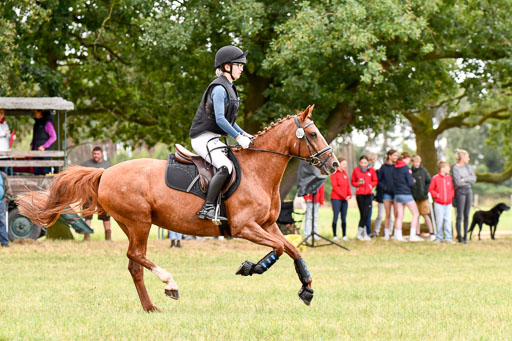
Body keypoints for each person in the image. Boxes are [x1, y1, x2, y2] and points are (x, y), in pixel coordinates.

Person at [189, 46, 252, 222]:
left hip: (212, 138)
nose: (241, 68)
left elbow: (230, 121)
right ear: (226, 67)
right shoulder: (219, 88)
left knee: (235, 162)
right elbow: (220, 120)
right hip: (202, 138)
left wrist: (247, 134)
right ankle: (207, 208)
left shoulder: (230, 88)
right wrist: (239, 138)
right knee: (226, 167)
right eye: (238, 65)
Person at [81, 146, 112, 241]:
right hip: (89, 192)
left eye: (98, 154)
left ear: (101, 154)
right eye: (94, 154)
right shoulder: (86, 164)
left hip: (103, 193)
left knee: (106, 216)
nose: (96, 156)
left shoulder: (108, 165)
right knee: (87, 214)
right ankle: (86, 236)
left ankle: (108, 237)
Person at [392, 152, 422, 242]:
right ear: (406, 159)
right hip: (406, 193)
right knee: (416, 213)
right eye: (409, 160)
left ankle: (398, 235)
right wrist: (413, 180)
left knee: (399, 216)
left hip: (397, 194)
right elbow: (410, 183)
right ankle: (412, 235)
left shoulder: (395, 168)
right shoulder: (406, 169)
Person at [452, 149, 476, 244]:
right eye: (467, 157)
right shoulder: (455, 168)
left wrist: (464, 179)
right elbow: (457, 183)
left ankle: (466, 236)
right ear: (462, 158)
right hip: (460, 192)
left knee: (467, 215)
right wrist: (465, 180)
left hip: (468, 191)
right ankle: (459, 236)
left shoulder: (468, 167)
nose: (469, 159)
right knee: (459, 215)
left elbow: (474, 179)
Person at [351, 155, 378, 241]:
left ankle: (364, 233)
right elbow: (353, 182)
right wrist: (358, 184)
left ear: (367, 163)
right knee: (362, 214)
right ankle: (361, 233)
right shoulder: (356, 170)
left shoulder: (371, 170)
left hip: (368, 194)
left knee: (366, 214)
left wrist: (370, 185)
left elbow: (375, 181)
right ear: (359, 162)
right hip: (359, 194)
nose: (363, 164)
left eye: (365, 162)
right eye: (362, 162)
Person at [429, 161, 455, 244]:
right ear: (442, 168)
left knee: (448, 220)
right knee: (439, 221)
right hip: (439, 203)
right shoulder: (435, 178)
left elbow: (451, 190)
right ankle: (439, 237)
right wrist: (437, 196)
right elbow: (431, 189)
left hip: (448, 203)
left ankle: (448, 237)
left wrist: (450, 196)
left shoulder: (449, 178)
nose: (449, 169)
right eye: (448, 167)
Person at [411, 155, 436, 241]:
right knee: (416, 215)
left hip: (423, 197)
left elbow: (428, 182)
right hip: (414, 197)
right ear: (412, 162)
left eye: (418, 162)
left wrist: (425, 192)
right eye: (415, 162)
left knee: (425, 214)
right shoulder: (410, 172)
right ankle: (417, 233)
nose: (416, 164)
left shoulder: (423, 171)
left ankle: (431, 232)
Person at [378, 149, 397, 240]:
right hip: (386, 194)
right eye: (394, 155)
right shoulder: (383, 167)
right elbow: (379, 180)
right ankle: (386, 234)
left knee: (396, 214)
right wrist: (385, 188)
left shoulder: (397, 166)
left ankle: (394, 233)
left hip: (396, 193)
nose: (396, 157)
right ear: (389, 156)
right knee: (388, 214)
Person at [330, 157, 351, 241]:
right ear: (339, 164)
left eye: (346, 164)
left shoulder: (345, 174)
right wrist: (344, 196)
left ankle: (344, 235)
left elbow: (348, 186)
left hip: (345, 199)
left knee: (344, 217)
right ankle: (335, 235)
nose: (345, 166)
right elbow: (335, 187)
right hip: (336, 198)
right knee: (335, 216)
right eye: (344, 164)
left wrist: (349, 194)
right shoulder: (334, 174)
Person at [31, 110, 57, 175]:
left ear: (40, 112)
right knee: (36, 172)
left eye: (35, 112)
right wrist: (32, 144)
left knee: (45, 171)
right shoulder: (36, 124)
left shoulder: (48, 124)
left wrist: (44, 146)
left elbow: (53, 137)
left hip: (46, 152)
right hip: (36, 151)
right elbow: (35, 137)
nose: (34, 114)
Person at [0, 170, 13, 247]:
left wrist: (4, 201)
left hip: (1, 203)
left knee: (2, 223)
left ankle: (4, 243)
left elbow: (8, 190)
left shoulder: (3, 175)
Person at [0, 109, 15, 174]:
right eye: (0, 113)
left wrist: (12, 137)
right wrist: (4, 133)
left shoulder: (5, 123)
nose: (1, 114)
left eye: (2, 113)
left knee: (4, 173)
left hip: (5, 153)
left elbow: (8, 136)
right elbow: (4, 133)